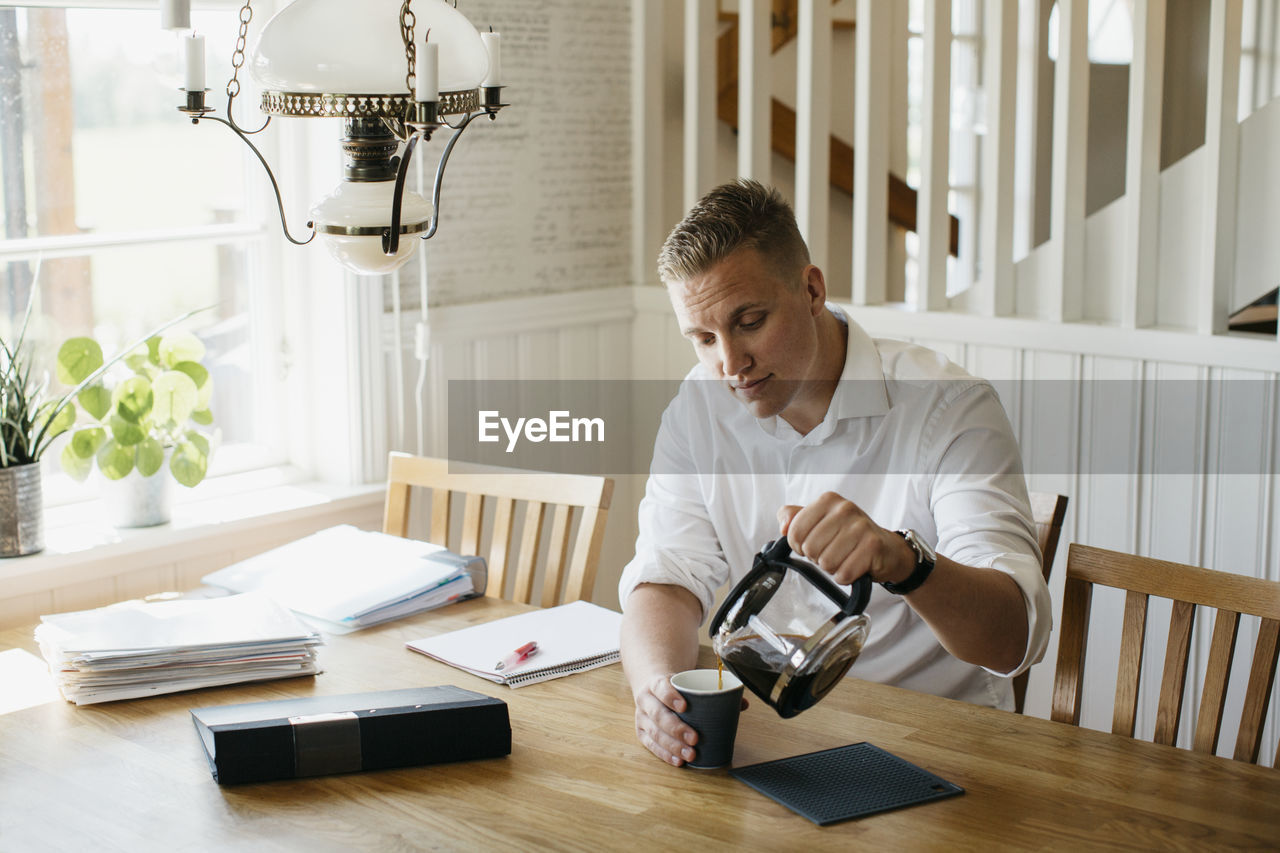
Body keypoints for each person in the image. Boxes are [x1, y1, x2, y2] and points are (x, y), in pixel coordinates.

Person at [619, 180, 1051, 767]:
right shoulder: (697, 409)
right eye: (702, 338)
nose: (729, 364)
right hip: (779, 747)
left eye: (749, 321)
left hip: (942, 754)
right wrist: (656, 690)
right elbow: (666, 578)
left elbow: (1012, 640)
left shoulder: (949, 406)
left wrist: (905, 561)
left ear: (812, 289)